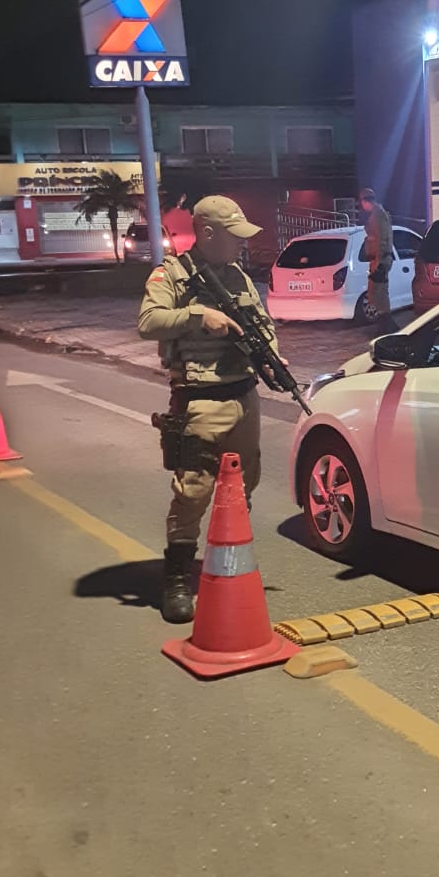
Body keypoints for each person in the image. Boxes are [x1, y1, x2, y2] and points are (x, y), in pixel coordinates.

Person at [138, 195, 274, 623]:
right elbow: (148, 322)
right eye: (235, 236)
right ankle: (178, 578)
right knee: (193, 490)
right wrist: (198, 315)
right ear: (209, 233)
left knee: (242, 487)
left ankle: (228, 567)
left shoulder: (238, 275)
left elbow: (263, 324)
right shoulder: (172, 275)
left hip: (244, 395)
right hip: (200, 399)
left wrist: (272, 356)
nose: (242, 244)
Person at [358, 186, 397, 331]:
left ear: (366, 201)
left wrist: (379, 261)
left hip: (380, 260)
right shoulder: (377, 214)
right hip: (379, 259)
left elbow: (381, 239)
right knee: (379, 293)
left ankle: (386, 327)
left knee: (377, 293)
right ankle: (386, 326)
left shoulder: (378, 215)